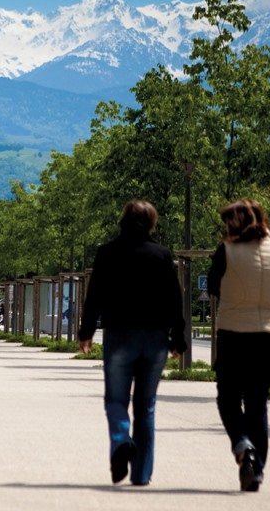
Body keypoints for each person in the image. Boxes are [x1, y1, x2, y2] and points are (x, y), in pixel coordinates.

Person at [78, 200, 186, 487]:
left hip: (120, 335)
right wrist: (179, 338)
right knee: (146, 405)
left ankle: (121, 438)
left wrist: (86, 331)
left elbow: (95, 297)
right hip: (155, 338)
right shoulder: (162, 255)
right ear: (152, 222)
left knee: (116, 400)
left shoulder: (107, 253)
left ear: (123, 221)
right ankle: (140, 475)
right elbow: (175, 300)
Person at [207, 199, 270, 492]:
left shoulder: (226, 251)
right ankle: (257, 469)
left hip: (234, 333)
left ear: (235, 223)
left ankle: (244, 447)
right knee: (257, 403)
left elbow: (213, 286)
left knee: (227, 398)